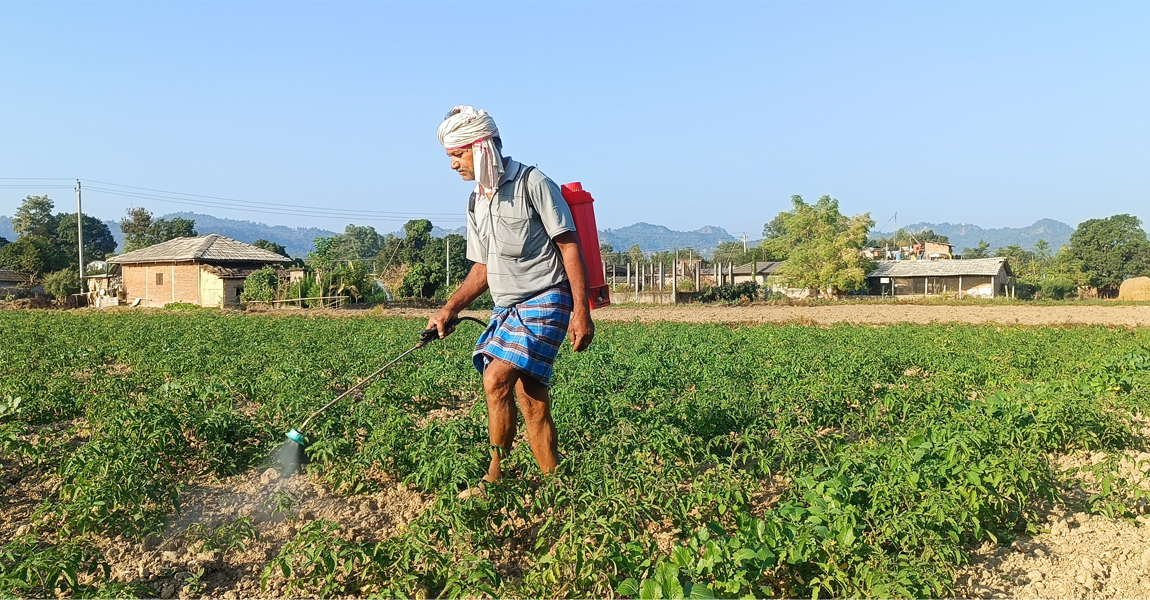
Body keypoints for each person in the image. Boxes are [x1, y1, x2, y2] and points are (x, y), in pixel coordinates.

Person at [428, 106, 594, 494]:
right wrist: (451, 308)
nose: (453, 165)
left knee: (496, 379)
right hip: (507, 308)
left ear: (481, 147)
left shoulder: (532, 183)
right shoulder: (476, 201)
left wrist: (581, 312)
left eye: (457, 154)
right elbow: (482, 269)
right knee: (532, 401)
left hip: (547, 298)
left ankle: (494, 477)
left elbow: (570, 247)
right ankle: (557, 486)